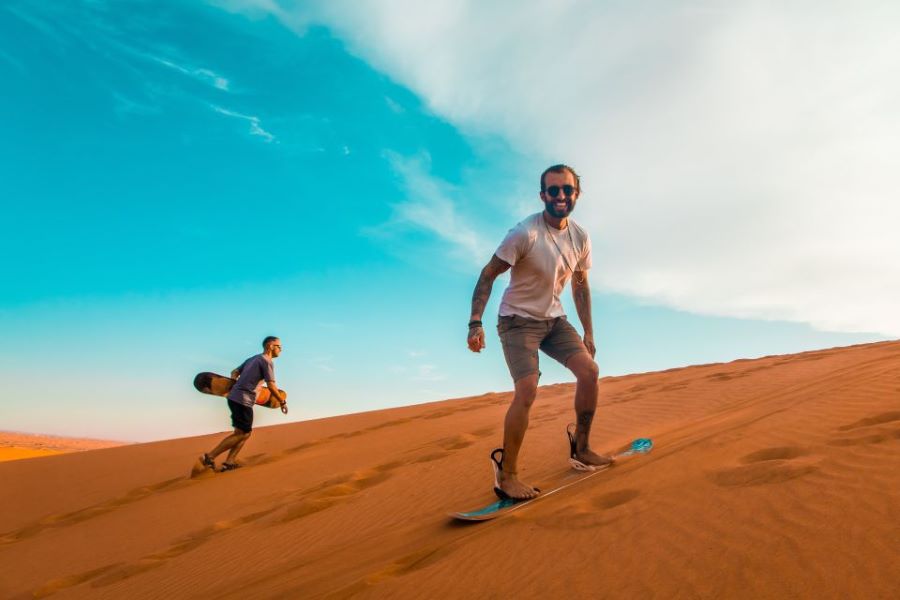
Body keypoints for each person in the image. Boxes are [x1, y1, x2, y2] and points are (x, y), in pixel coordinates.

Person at [467, 164, 612, 500]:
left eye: (567, 190)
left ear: (577, 194)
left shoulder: (580, 237)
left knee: (589, 372)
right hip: (517, 321)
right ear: (543, 195)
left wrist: (588, 332)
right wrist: (476, 321)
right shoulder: (524, 234)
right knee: (528, 390)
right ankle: (508, 476)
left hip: (554, 321)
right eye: (554, 190)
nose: (561, 196)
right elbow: (488, 274)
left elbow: (579, 284)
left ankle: (583, 448)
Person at [199, 336, 285, 472]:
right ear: (270, 346)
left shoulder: (253, 359)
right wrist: (282, 401)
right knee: (242, 433)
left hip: (236, 398)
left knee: (244, 432)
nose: (281, 349)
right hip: (243, 400)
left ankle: (229, 462)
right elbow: (271, 386)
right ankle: (209, 457)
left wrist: (233, 382)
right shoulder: (266, 361)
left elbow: (235, 371)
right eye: (279, 346)